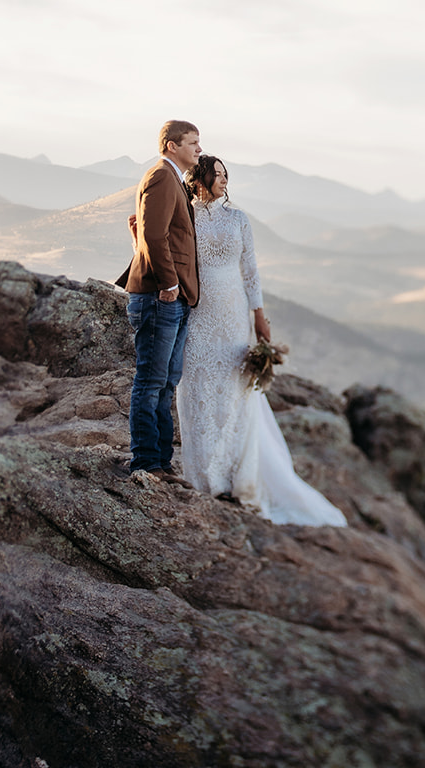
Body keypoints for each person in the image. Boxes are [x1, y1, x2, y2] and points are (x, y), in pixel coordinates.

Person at [176, 155, 346, 527]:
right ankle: (206, 476)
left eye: (225, 175)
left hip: (234, 310)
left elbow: (250, 269)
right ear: (200, 178)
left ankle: (238, 474)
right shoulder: (185, 216)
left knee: (235, 389)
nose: (223, 180)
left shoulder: (238, 219)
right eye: (216, 175)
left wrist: (259, 317)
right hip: (199, 312)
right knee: (200, 388)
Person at [117, 119, 202, 480]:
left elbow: (140, 224)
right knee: (151, 382)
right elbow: (153, 234)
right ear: (171, 145)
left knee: (167, 381)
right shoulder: (162, 177)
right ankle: (146, 461)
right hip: (160, 295)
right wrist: (168, 284)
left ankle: (162, 461)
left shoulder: (174, 180)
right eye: (193, 142)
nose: (199, 149)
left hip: (174, 295)